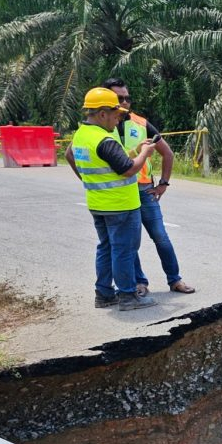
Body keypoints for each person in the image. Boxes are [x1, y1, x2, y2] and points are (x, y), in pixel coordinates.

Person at [65, 88, 158, 311]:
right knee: (124, 250)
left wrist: (136, 150)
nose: (118, 120)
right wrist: (145, 154)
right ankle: (127, 296)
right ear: (102, 113)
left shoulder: (81, 135)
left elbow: (107, 164)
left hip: (99, 204)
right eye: (116, 115)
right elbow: (127, 170)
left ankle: (104, 294)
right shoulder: (103, 139)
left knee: (106, 248)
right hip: (121, 206)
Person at [102, 77, 195, 295]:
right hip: (120, 193)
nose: (125, 102)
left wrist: (163, 184)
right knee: (129, 243)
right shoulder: (102, 128)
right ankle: (139, 282)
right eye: (119, 98)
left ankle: (175, 280)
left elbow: (167, 153)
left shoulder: (141, 123)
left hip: (144, 191)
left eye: (127, 98)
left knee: (161, 237)